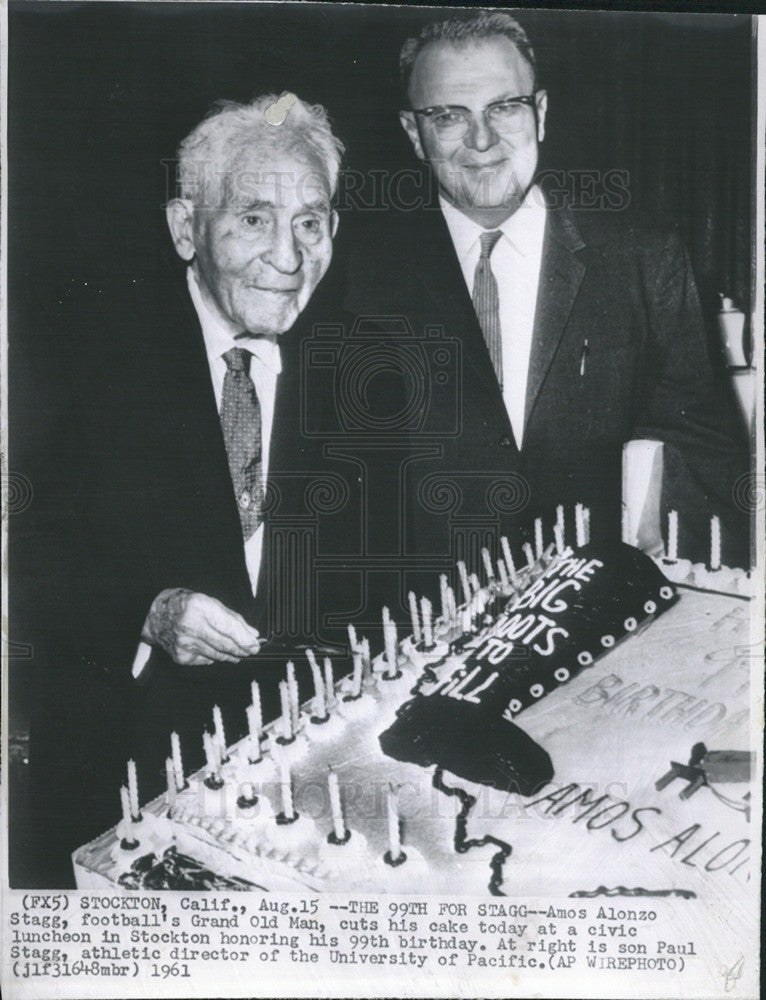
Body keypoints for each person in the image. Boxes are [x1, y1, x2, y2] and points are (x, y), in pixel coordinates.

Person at [17, 93, 404, 885]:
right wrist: (148, 614)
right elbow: (24, 553)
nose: (290, 258)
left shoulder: (369, 366)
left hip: (295, 803)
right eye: (254, 219)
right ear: (186, 228)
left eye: (312, 222)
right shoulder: (74, 352)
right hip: (115, 778)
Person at [344, 10, 749, 590]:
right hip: (419, 628)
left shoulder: (643, 257)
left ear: (539, 114)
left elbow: (705, 459)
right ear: (415, 134)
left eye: (503, 107)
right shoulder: (362, 273)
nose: (481, 141)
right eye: (449, 116)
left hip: (607, 616)